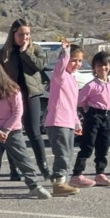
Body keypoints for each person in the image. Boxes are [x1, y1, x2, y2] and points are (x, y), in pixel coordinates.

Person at [0, 64, 51, 202]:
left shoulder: (13, 91)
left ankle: (34, 186)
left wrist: (6, 130)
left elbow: (17, 112)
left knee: (23, 159)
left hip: (13, 131)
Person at [0, 19, 51, 179]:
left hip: (31, 95)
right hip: (10, 97)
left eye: (27, 34)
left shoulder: (36, 49)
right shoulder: (4, 52)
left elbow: (39, 66)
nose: (24, 37)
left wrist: (26, 52)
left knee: (34, 132)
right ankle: (14, 169)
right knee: (13, 132)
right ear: (13, 34)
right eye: (20, 34)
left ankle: (44, 168)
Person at [71, 51, 110, 187]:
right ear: (94, 68)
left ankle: (100, 173)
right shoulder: (91, 85)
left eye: (105, 65)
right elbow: (79, 100)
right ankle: (77, 174)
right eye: (99, 65)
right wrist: (87, 109)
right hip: (94, 116)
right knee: (88, 145)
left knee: (104, 146)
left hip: (108, 116)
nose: (103, 68)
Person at [44, 40, 83, 197]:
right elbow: (61, 65)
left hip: (68, 122)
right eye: (74, 60)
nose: (77, 64)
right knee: (62, 154)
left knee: (68, 153)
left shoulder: (72, 79)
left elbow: (72, 105)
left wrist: (77, 123)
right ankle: (59, 183)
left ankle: (60, 180)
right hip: (57, 121)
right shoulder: (59, 75)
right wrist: (66, 52)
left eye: (80, 60)